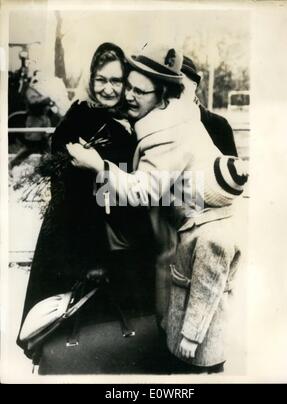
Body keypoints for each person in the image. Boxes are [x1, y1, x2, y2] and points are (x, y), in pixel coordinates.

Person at [67, 43, 248, 374]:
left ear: (163, 94)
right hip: (193, 230)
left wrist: (97, 165)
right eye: (129, 87)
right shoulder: (174, 117)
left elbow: (142, 191)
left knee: (192, 329)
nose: (129, 96)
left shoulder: (165, 135)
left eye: (140, 91)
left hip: (200, 237)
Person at [17, 42, 156, 368]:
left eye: (116, 81)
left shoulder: (129, 121)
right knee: (73, 328)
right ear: (91, 79)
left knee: (118, 333)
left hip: (121, 234)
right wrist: (89, 254)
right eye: (101, 80)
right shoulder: (77, 122)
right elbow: (70, 197)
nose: (109, 89)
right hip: (83, 239)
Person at [166, 155, 248, 373]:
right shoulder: (216, 218)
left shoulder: (214, 237)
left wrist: (191, 337)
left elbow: (206, 291)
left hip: (200, 331)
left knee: (196, 370)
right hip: (192, 315)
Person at [181, 56, 238, 157]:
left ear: (194, 86)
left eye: (180, 86)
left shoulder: (219, 125)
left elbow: (231, 170)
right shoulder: (158, 123)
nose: (173, 92)